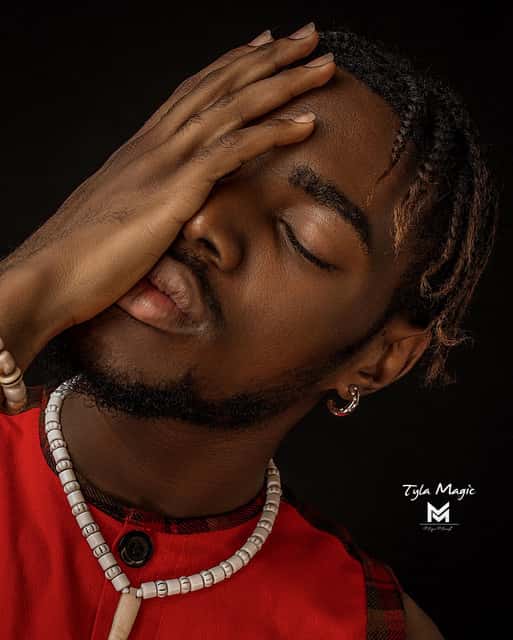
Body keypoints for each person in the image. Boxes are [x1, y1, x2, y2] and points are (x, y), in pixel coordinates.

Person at [0, 19, 497, 639]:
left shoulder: (366, 625)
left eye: (302, 238)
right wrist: (34, 285)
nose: (199, 219)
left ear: (381, 358)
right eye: (202, 167)